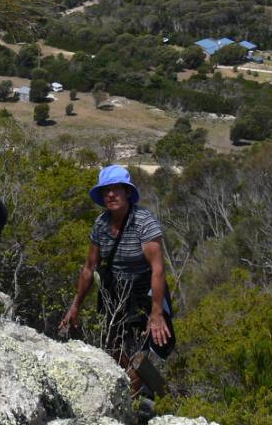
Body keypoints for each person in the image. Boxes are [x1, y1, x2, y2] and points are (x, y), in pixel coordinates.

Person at [59, 164, 173, 396]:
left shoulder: (144, 223)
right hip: (114, 296)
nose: (110, 194)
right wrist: (75, 306)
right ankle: (131, 394)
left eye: (116, 189)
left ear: (127, 192)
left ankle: (139, 402)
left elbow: (158, 270)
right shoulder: (101, 224)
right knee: (114, 350)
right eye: (106, 190)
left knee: (142, 355)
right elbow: (89, 268)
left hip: (143, 296)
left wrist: (157, 313)